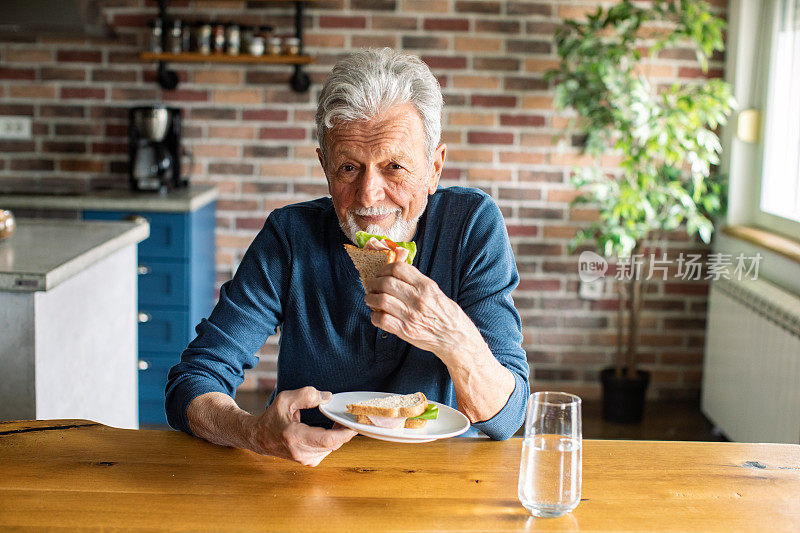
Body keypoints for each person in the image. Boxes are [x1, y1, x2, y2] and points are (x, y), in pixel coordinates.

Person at [165, 48, 530, 467]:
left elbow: (508, 418)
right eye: (349, 168)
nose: (368, 196)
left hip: (435, 477)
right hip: (308, 474)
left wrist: (452, 337)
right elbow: (191, 383)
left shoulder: (470, 226)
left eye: (394, 166)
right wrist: (253, 433)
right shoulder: (289, 236)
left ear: (434, 167)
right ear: (324, 165)